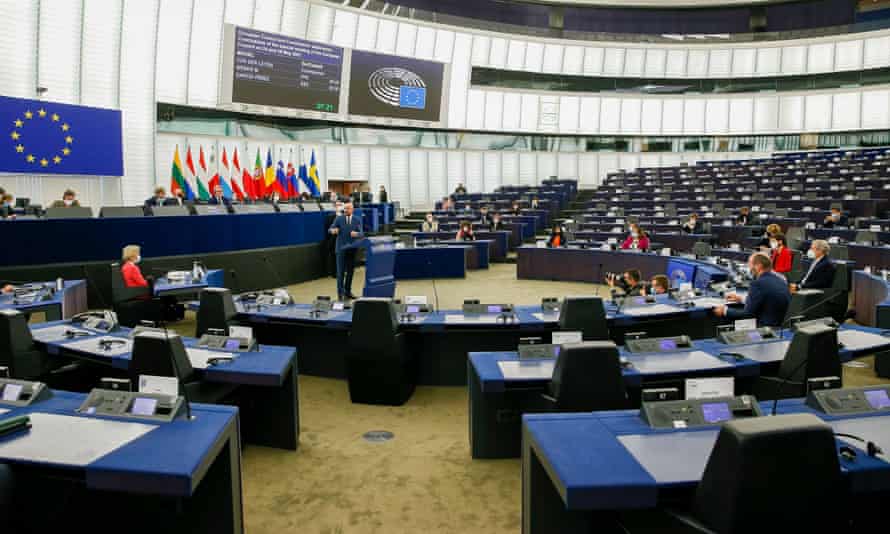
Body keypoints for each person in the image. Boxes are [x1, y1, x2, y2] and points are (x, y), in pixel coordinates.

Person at [713, 253, 791, 327]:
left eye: (750, 264)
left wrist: (725, 311)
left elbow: (747, 314)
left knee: (726, 319)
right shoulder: (780, 279)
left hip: (764, 326)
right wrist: (741, 299)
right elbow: (765, 299)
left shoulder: (758, 283)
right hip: (779, 323)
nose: (749, 268)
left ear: (759, 266)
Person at [328, 202, 363, 300]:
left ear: (352, 209)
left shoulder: (357, 220)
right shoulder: (339, 219)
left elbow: (361, 233)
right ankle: (340, 294)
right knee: (340, 273)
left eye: (348, 208)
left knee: (350, 272)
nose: (346, 210)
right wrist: (333, 231)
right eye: (345, 209)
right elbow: (330, 229)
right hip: (340, 249)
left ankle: (348, 292)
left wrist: (357, 234)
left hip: (352, 249)